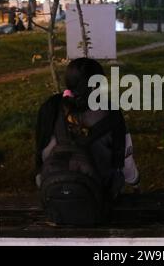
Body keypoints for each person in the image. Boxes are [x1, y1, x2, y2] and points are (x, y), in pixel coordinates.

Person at [35, 58, 140, 223]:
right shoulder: (110, 112)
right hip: (98, 200)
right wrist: (134, 181)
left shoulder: (50, 107)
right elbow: (124, 160)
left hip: (54, 197)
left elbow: (40, 154)